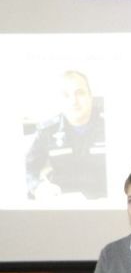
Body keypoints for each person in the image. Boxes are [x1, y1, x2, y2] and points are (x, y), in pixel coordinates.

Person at [25, 70, 107, 200]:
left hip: (104, 202)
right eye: (65, 95)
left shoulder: (109, 126)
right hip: (63, 202)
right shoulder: (47, 131)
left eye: (79, 93)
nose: (73, 101)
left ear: (90, 97)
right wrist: (38, 187)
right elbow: (27, 168)